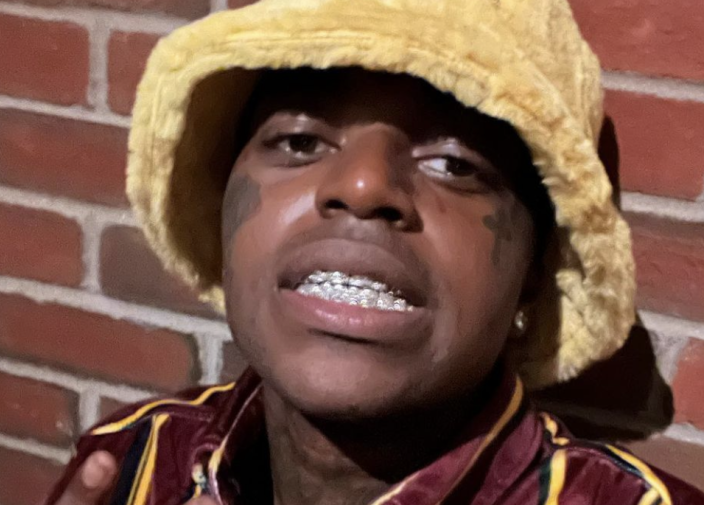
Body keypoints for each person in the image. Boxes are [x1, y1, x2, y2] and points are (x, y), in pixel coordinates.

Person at [47, 0, 704, 504]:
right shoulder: (133, 462)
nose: (362, 187)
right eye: (300, 142)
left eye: (454, 163)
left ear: (533, 270)